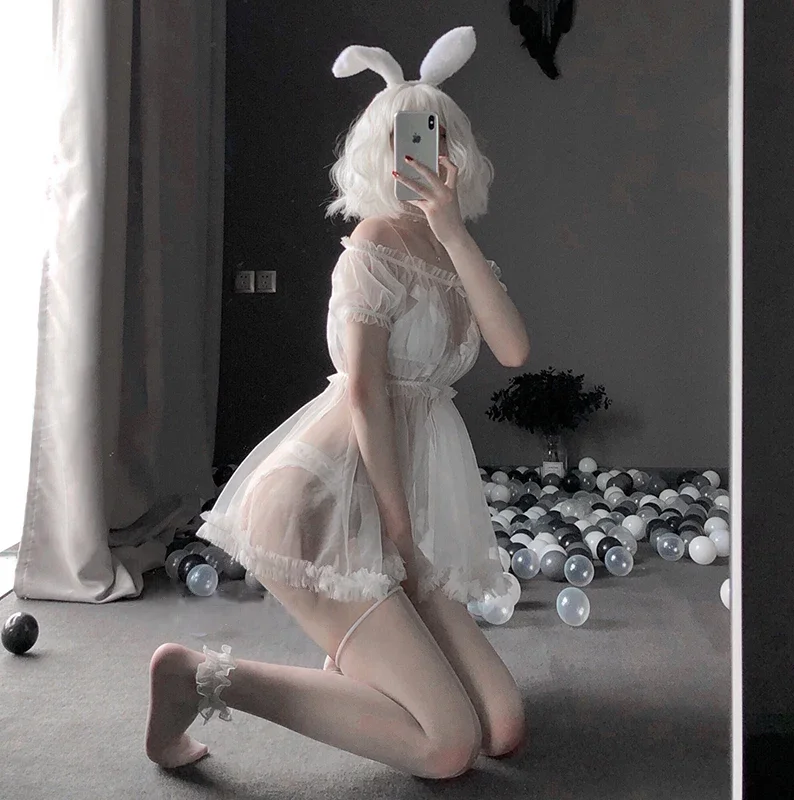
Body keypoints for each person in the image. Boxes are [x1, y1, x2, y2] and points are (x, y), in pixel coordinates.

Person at [145, 26, 530, 779]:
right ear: (380, 153)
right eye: (405, 139)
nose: (422, 153)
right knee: (448, 747)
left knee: (504, 728)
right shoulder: (373, 244)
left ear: (455, 149)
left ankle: (364, 666)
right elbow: (363, 391)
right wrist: (400, 534)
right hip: (328, 504)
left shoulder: (451, 250)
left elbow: (513, 348)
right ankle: (195, 677)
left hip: (390, 507)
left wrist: (453, 230)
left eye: (435, 135)